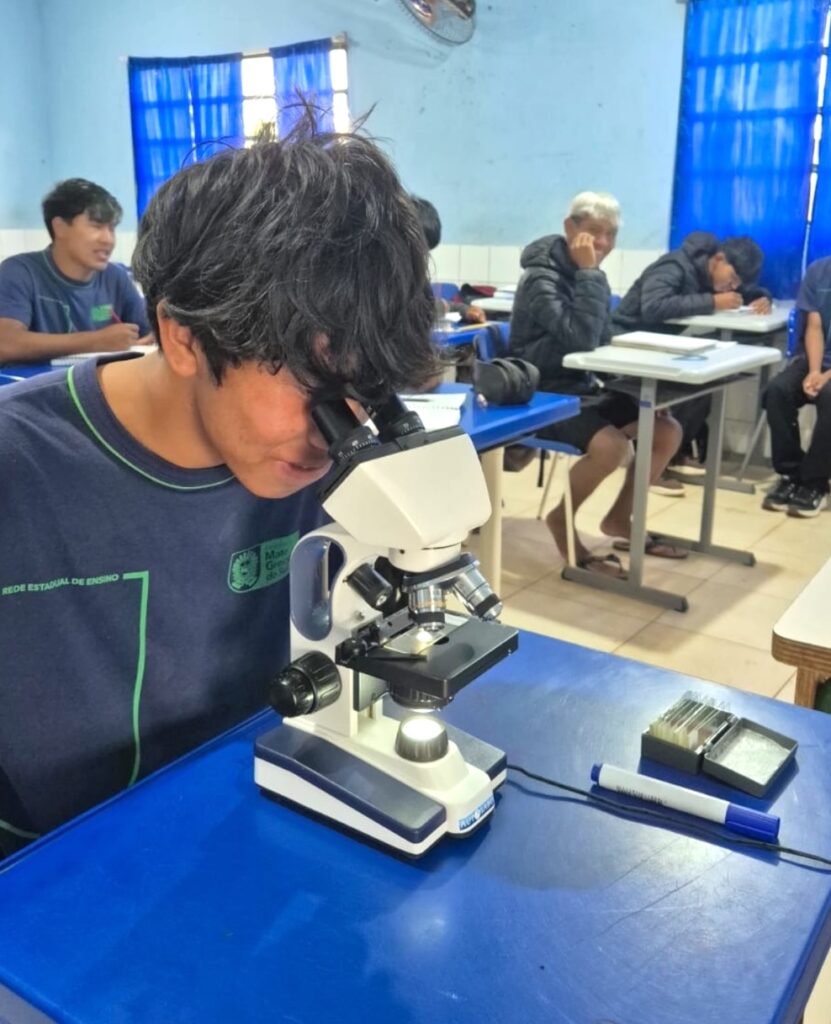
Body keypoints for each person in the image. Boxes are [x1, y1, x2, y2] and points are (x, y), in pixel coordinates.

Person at [0, 119, 440, 857]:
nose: (342, 425)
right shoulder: (21, 469)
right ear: (182, 336)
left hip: (253, 822)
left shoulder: (335, 451)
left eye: (368, 386)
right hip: (45, 883)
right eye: (318, 386)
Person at [509, 191, 684, 577]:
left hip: (580, 388)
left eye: (611, 234)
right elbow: (582, 339)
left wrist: (641, 388)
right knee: (611, 447)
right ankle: (561, 521)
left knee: (666, 429)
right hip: (540, 394)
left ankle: (620, 518)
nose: (603, 243)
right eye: (594, 232)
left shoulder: (591, 277)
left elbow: (601, 340)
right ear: (570, 228)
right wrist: (591, 275)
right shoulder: (541, 279)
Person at [613, 232, 771, 492]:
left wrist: (762, 298)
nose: (732, 287)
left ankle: (672, 454)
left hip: (657, 346)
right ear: (719, 259)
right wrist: (712, 302)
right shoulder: (674, 266)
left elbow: (747, 291)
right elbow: (653, 306)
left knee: (707, 379)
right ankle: (652, 465)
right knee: (685, 385)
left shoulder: (707, 274)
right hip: (626, 343)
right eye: (732, 279)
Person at [0, 178, 152, 364]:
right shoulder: (20, 272)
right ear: (60, 227)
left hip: (98, 388)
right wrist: (95, 341)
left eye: (111, 229)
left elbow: (148, 332)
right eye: (96, 226)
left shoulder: (115, 277)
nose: (108, 240)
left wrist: (154, 338)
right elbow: (6, 343)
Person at [762, 257, 831, 517]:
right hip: (818, 358)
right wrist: (814, 371)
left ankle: (815, 482)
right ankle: (791, 474)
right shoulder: (819, 271)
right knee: (778, 391)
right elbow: (814, 327)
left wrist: (826, 378)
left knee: (829, 396)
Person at [410, 196, 487, 325]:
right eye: (418, 249)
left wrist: (464, 310)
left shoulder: (415, 273)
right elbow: (414, 312)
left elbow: (426, 305)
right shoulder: (381, 276)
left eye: (425, 251)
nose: (421, 257)